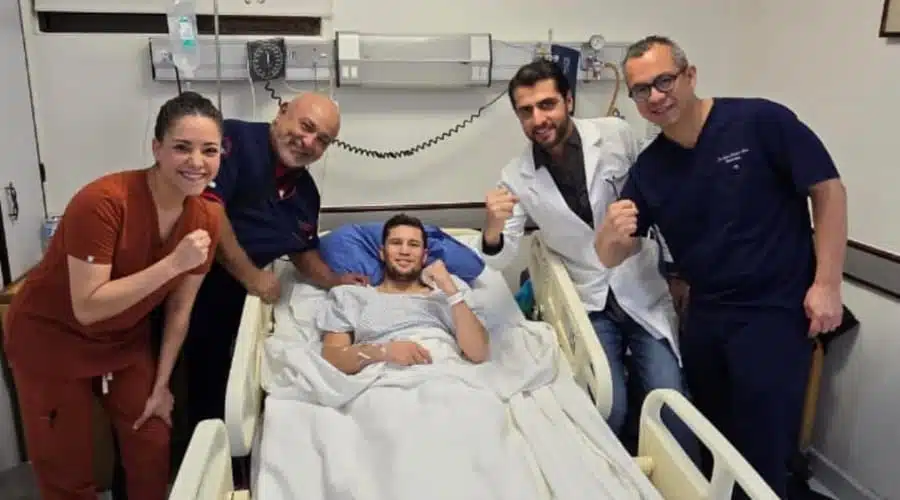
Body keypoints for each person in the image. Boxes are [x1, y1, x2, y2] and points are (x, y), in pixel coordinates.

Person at [594, 35, 847, 498]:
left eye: (664, 80)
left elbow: (828, 190)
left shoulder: (759, 121)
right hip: (707, 316)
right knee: (714, 436)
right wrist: (609, 234)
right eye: (641, 90)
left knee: (764, 446)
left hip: (774, 310)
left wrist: (827, 284)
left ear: (690, 76)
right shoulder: (651, 168)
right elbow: (612, 254)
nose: (654, 96)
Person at [2, 91, 224, 500]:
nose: (197, 162)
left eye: (209, 150)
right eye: (182, 147)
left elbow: (179, 310)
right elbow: (88, 307)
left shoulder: (207, 217)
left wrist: (161, 384)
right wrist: (173, 263)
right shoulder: (103, 203)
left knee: (152, 437)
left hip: (123, 341)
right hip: (52, 339)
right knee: (67, 462)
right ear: (156, 148)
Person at [479, 59, 696, 456]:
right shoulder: (514, 176)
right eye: (526, 111)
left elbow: (660, 197)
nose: (538, 118)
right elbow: (499, 258)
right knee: (606, 405)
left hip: (639, 286)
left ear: (569, 100)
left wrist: (677, 270)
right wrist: (493, 227)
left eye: (547, 104)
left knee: (672, 402)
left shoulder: (616, 135)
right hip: (588, 301)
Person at [183, 92, 368, 437]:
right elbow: (209, 209)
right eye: (306, 126)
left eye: (322, 140)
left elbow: (302, 250)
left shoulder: (305, 193)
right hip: (188, 286)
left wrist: (335, 280)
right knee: (180, 394)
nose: (308, 141)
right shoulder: (234, 140)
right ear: (282, 112)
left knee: (220, 388)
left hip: (234, 304)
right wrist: (252, 275)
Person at [320, 214, 490, 373]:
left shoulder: (449, 292)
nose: (404, 251)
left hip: (446, 376)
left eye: (413, 244)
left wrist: (450, 290)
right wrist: (383, 351)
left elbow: (478, 353)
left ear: (424, 256)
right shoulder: (351, 296)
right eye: (396, 243)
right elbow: (332, 359)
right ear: (382, 253)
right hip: (383, 383)